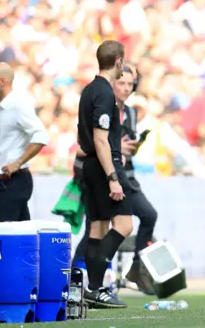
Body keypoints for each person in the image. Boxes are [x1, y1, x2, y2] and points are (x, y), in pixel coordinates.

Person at [73, 64, 157, 295]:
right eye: (123, 83)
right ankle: (86, 278)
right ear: (114, 83)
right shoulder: (101, 102)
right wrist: (114, 153)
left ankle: (133, 271)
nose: (127, 88)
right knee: (98, 226)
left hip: (125, 175)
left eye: (131, 84)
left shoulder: (130, 111)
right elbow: (83, 146)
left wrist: (133, 147)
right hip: (104, 174)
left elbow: (124, 147)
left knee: (146, 215)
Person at [77, 40, 133, 308]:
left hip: (90, 164)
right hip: (104, 165)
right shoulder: (104, 93)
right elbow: (101, 140)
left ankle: (93, 289)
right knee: (124, 225)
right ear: (119, 61)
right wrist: (112, 176)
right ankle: (97, 288)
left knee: (98, 228)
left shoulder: (89, 90)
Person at [0, 63, 48, 222]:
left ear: (3, 81)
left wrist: (17, 163)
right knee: (21, 236)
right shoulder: (5, 106)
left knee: (1, 234)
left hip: (15, 181)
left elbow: (41, 135)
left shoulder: (17, 104)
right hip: (10, 182)